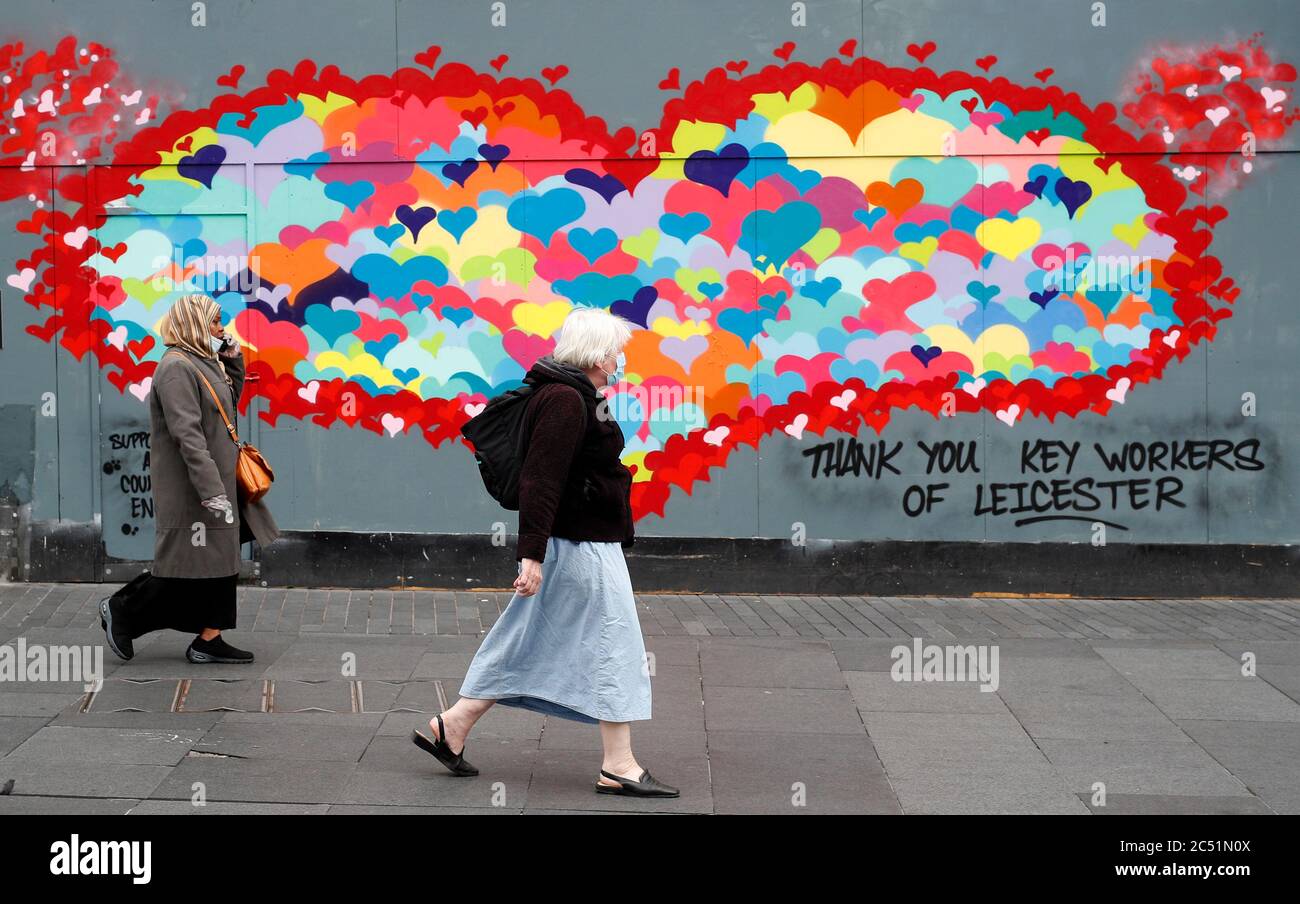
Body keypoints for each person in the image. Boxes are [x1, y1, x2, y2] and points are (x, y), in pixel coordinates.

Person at [412, 307, 679, 797]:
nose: (622, 359)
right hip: (580, 548)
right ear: (599, 354)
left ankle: (452, 725)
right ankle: (619, 765)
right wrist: (530, 556)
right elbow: (541, 480)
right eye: (617, 350)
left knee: (526, 638)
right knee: (614, 643)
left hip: (576, 543)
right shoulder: (564, 400)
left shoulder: (568, 393)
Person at [99, 292, 279, 664]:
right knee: (184, 565)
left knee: (222, 558)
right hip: (193, 486)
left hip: (216, 478)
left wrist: (232, 361)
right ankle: (124, 611)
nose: (220, 328)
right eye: (214, 322)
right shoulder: (175, 368)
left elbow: (227, 407)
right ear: (194, 324)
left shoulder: (202, 361)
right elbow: (188, 434)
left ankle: (209, 638)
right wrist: (212, 490)